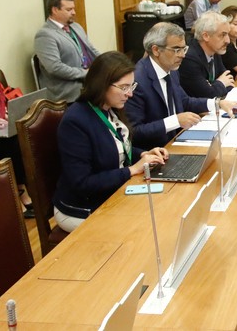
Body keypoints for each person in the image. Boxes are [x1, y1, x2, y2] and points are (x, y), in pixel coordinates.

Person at [53, 51, 168, 232]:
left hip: (111, 193)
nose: (130, 94)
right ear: (102, 84)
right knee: (145, 228)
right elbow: (82, 183)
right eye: (124, 87)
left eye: (132, 86)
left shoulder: (110, 107)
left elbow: (116, 147)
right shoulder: (75, 121)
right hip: (81, 207)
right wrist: (132, 170)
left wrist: (144, 154)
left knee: (162, 211)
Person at [126, 22, 237, 150]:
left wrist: (217, 103)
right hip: (154, 152)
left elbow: (184, 101)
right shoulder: (137, 81)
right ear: (156, 50)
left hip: (177, 142)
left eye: (184, 49)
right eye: (176, 50)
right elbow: (134, 132)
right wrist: (175, 121)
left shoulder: (171, 70)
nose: (183, 55)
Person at [34, 0, 100, 103]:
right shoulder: (45, 35)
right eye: (69, 10)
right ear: (55, 10)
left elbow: (91, 50)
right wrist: (85, 73)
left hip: (87, 80)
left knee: (117, 86)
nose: (74, 12)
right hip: (67, 89)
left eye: (73, 9)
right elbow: (55, 67)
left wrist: (108, 63)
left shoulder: (76, 26)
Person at [178, 11, 235, 98]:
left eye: (227, 34)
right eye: (223, 35)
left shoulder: (214, 49)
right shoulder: (189, 58)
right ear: (206, 36)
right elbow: (207, 95)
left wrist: (214, 86)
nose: (228, 41)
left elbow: (229, 81)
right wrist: (221, 83)